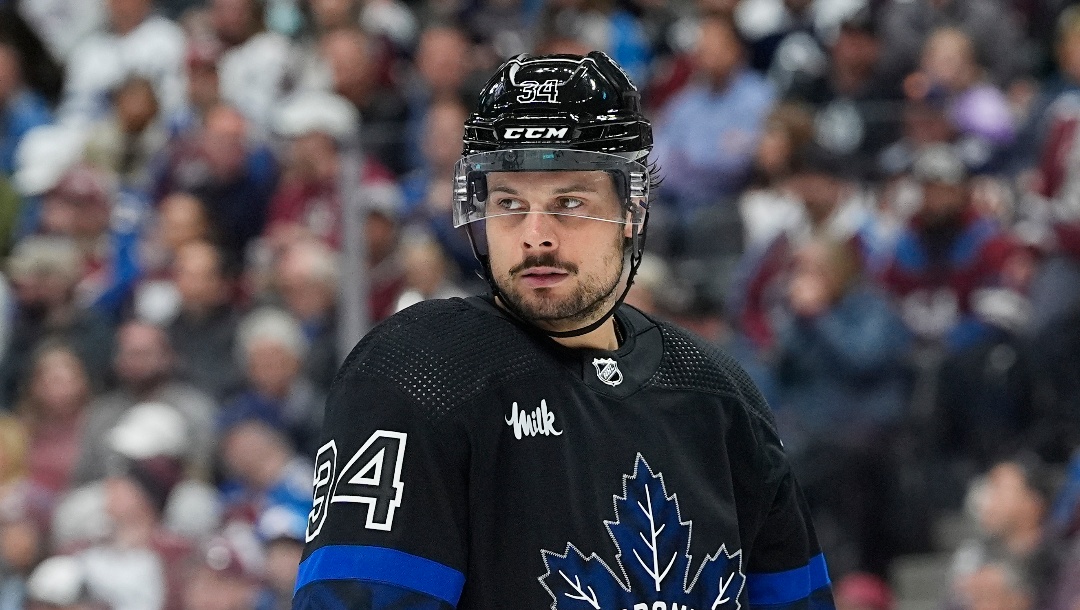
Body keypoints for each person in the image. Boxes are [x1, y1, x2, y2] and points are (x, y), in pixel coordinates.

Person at [294, 52, 834, 609]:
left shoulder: (719, 397)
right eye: (508, 202)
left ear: (633, 210)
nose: (535, 237)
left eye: (569, 202)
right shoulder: (420, 373)